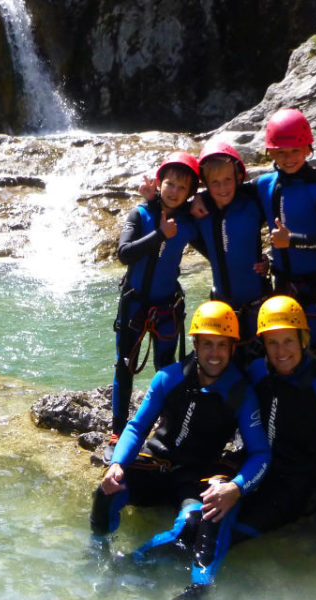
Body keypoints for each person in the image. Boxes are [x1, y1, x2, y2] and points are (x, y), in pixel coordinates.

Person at [155, 295, 316, 600]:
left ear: (304, 340)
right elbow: (218, 389)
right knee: (207, 511)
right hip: (251, 464)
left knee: (230, 534)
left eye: (288, 341)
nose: (281, 351)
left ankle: (197, 589)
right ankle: (153, 570)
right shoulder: (258, 370)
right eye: (272, 343)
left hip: (290, 484)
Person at [90, 301, 271, 600]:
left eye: (222, 346)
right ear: (196, 345)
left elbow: (260, 453)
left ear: (232, 348)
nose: (215, 354)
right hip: (157, 463)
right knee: (106, 491)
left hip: (196, 475)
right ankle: (97, 551)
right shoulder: (168, 378)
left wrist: (235, 487)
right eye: (208, 344)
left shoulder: (241, 392)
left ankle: (194, 587)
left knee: (197, 522)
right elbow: (136, 428)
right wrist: (118, 464)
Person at [109, 152, 201, 453]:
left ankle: (166, 430)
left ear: (189, 193)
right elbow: (124, 253)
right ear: (159, 183)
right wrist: (160, 234)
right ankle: (118, 431)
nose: (173, 191)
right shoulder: (141, 214)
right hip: (134, 305)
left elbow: (215, 249)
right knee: (125, 365)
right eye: (169, 184)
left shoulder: (188, 222)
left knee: (166, 370)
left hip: (166, 309)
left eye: (181, 188)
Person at [255, 108, 316, 372]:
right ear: (271, 153)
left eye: (295, 151)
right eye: (281, 152)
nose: (289, 158)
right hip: (283, 284)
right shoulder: (263, 185)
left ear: (307, 149)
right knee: (282, 359)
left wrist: (294, 241)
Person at [188, 140, 271, 369]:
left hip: (258, 304)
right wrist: (194, 198)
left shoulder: (252, 201)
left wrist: (270, 259)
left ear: (238, 177)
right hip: (222, 306)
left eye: (228, 180)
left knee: (261, 369)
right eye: (215, 183)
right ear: (205, 184)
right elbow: (166, 202)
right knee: (225, 369)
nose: (223, 188)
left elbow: (284, 189)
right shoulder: (198, 210)